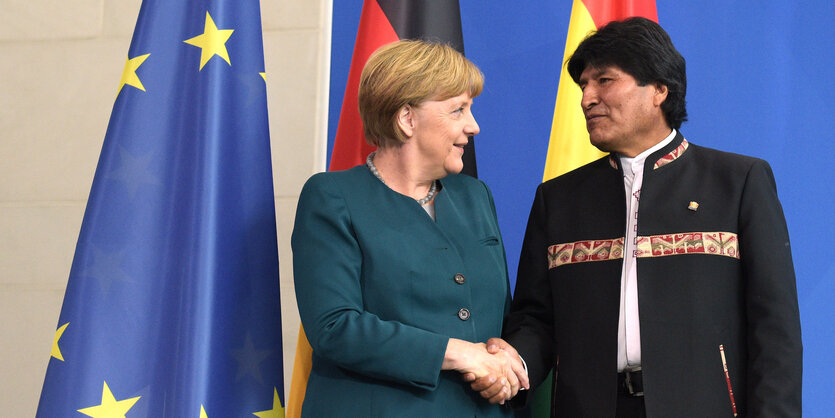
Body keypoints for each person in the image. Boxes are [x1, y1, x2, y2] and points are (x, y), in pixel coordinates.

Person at [469, 17, 802, 416]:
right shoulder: (556, 199)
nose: (586, 98)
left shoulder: (738, 182)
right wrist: (513, 365)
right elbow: (536, 319)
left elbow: (775, 331)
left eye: (604, 81)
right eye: (583, 86)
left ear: (659, 89)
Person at [291, 39, 529, 417]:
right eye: (458, 110)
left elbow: (500, 314)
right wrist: (461, 354)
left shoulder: (475, 196)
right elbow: (335, 327)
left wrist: (502, 361)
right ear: (407, 118)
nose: (474, 126)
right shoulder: (333, 197)